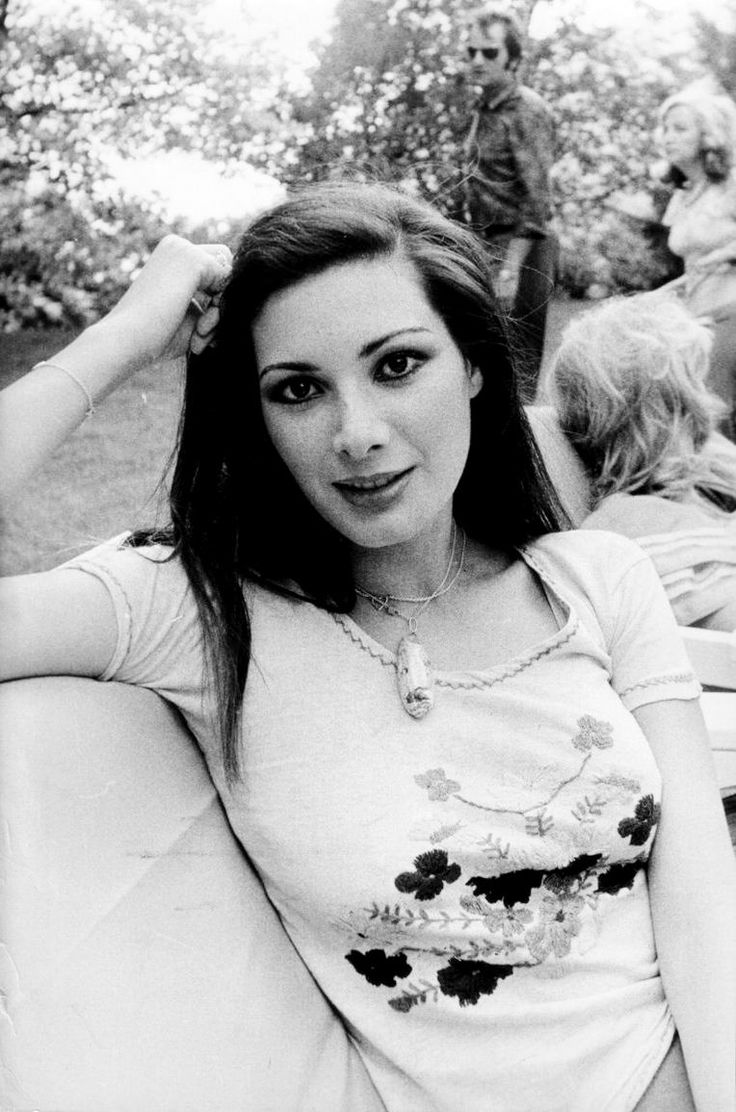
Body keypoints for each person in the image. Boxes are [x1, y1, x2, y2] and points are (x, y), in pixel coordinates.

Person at [1, 183, 734, 1112]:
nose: (357, 434)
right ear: (257, 414)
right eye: (298, 390)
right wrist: (124, 338)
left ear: (472, 365)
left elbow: (702, 899)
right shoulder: (196, 609)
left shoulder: (599, 580)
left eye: (397, 366)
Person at [543, 293, 736, 633]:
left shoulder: (696, 488)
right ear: (672, 421)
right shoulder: (637, 526)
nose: (715, 404)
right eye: (699, 387)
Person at [461, 3, 557, 400]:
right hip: (487, 243)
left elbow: (536, 204)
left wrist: (509, 271)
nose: (478, 60)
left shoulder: (526, 110)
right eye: (471, 52)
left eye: (490, 52)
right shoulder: (484, 107)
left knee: (518, 371)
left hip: (522, 248)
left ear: (513, 57)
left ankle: (526, 457)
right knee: (488, 363)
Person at [655, 85, 736, 438]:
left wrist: (725, 253)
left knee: (716, 418)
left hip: (730, 317)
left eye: (680, 128)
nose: (668, 137)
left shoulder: (730, 185)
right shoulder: (686, 194)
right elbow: (693, 266)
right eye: (666, 128)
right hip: (695, 322)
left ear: (708, 134)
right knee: (697, 419)